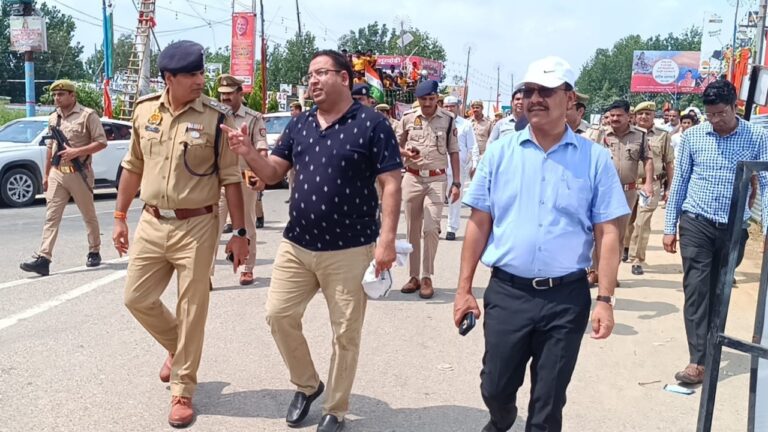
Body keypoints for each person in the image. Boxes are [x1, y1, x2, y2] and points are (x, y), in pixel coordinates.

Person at [224, 49, 402, 432]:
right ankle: (307, 384)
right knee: (278, 315)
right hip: (297, 245)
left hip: (351, 249)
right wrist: (247, 152)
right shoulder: (301, 123)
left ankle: (334, 410)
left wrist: (387, 239)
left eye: (321, 73)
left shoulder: (372, 124)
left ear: (344, 78)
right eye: (310, 75)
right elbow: (272, 171)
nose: (313, 81)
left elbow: (390, 183)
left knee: (345, 334)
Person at [454, 56, 628, 432]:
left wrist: (605, 300)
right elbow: (479, 222)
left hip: (566, 298)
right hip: (508, 292)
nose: (534, 99)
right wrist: (463, 289)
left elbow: (608, 233)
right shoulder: (500, 153)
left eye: (545, 91)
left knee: (549, 402)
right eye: (528, 91)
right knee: (496, 387)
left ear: (569, 99)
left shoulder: (594, 159)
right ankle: (501, 419)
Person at [113, 41, 249, 428]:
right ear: (169, 79)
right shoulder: (144, 112)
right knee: (136, 297)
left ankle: (183, 390)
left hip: (198, 224)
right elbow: (132, 166)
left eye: (201, 73)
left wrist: (239, 233)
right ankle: (178, 347)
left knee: (192, 308)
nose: (200, 80)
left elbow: (231, 180)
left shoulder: (216, 118)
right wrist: (120, 216)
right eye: (191, 75)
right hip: (153, 222)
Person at [663, 79, 768, 385]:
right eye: (710, 114)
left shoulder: (757, 137)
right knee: (696, 288)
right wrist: (670, 226)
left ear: (734, 106)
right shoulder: (694, 137)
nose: (716, 120)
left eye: (721, 113)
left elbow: (766, 184)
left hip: (735, 228)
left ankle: (714, 342)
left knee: (719, 291)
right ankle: (698, 360)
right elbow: (680, 182)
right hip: (696, 221)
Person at [20, 80, 107, 276]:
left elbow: (101, 142)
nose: (56, 98)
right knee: (51, 216)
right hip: (58, 173)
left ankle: (94, 250)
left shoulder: (87, 115)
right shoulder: (54, 118)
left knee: (88, 214)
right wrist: (46, 174)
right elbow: (50, 147)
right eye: (55, 95)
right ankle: (44, 258)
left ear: (72, 95)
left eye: (61, 94)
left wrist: (78, 151)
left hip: (79, 173)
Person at [396, 80, 461, 299]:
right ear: (418, 99)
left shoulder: (448, 120)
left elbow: (454, 152)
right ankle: (413, 276)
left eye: (431, 99)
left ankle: (427, 276)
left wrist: (457, 182)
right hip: (412, 178)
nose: (427, 103)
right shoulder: (407, 119)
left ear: (437, 99)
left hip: (436, 179)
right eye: (423, 99)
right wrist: (406, 153)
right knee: (413, 228)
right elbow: (394, 146)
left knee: (432, 228)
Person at [585, 100, 653, 283]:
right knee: (596, 232)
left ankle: (610, 275)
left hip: (626, 192)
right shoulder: (599, 134)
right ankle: (594, 271)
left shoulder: (640, 135)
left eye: (619, 115)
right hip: (600, 191)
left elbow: (647, 159)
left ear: (628, 116)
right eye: (612, 115)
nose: (614, 119)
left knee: (618, 235)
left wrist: (648, 184)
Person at [211, 74, 268, 286]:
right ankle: (207, 271)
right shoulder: (214, 116)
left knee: (246, 223)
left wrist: (261, 176)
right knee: (212, 226)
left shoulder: (253, 118)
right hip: (218, 179)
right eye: (222, 95)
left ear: (239, 94)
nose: (224, 99)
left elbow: (261, 149)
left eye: (229, 94)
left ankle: (247, 268)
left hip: (245, 177)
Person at [625, 101, 674, 276]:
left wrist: (670, 188)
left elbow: (669, 163)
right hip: (629, 184)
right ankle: (626, 245)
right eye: (640, 114)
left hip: (651, 184)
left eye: (648, 114)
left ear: (654, 116)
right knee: (627, 220)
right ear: (635, 116)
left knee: (642, 222)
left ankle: (637, 259)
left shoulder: (663, 136)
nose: (644, 117)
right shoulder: (628, 134)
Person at [443, 95, 476, 241]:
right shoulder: (439, 122)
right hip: (439, 166)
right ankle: (435, 225)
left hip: (458, 167)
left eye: (452, 106)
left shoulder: (465, 125)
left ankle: (452, 228)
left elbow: (472, 146)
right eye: (446, 106)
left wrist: (474, 164)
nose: (449, 109)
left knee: (454, 198)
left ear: (458, 107)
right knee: (437, 198)